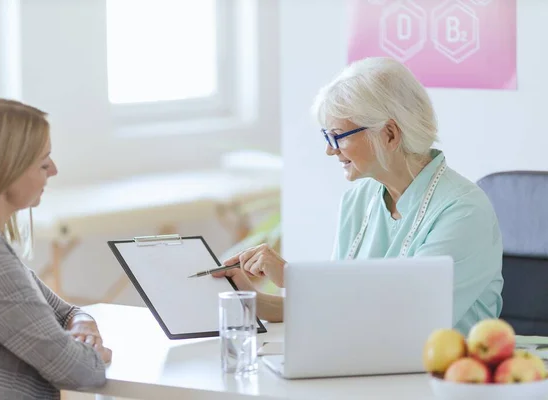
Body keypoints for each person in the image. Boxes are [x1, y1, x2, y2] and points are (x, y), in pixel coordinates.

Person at [215, 57, 504, 335]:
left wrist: (294, 278)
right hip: (372, 365)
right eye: (327, 137)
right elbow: (336, 307)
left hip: (443, 375)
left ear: (389, 134)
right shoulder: (359, 200)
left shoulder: (464, 211)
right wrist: (248, 298)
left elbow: (407, 316)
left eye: (338, 136)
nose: (330, 149)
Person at [0, 96, 111, 399]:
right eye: (43, 162)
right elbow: (78, 370)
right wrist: (91, 353)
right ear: (6, 169)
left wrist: (84, 325)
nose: (54, 171)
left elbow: (67, 312)